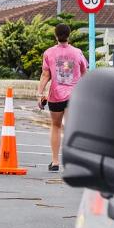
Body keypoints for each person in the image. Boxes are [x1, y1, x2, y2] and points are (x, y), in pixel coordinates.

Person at [36, 23, 88, 172]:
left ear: (55, 35)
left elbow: (46, 75)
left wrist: (40, 94)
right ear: (69, 35)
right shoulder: (77, 53)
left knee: (56, 126)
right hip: (75, 95)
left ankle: (55, 161)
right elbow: (84, 73)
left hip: (56, 95)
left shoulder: (49, 53)